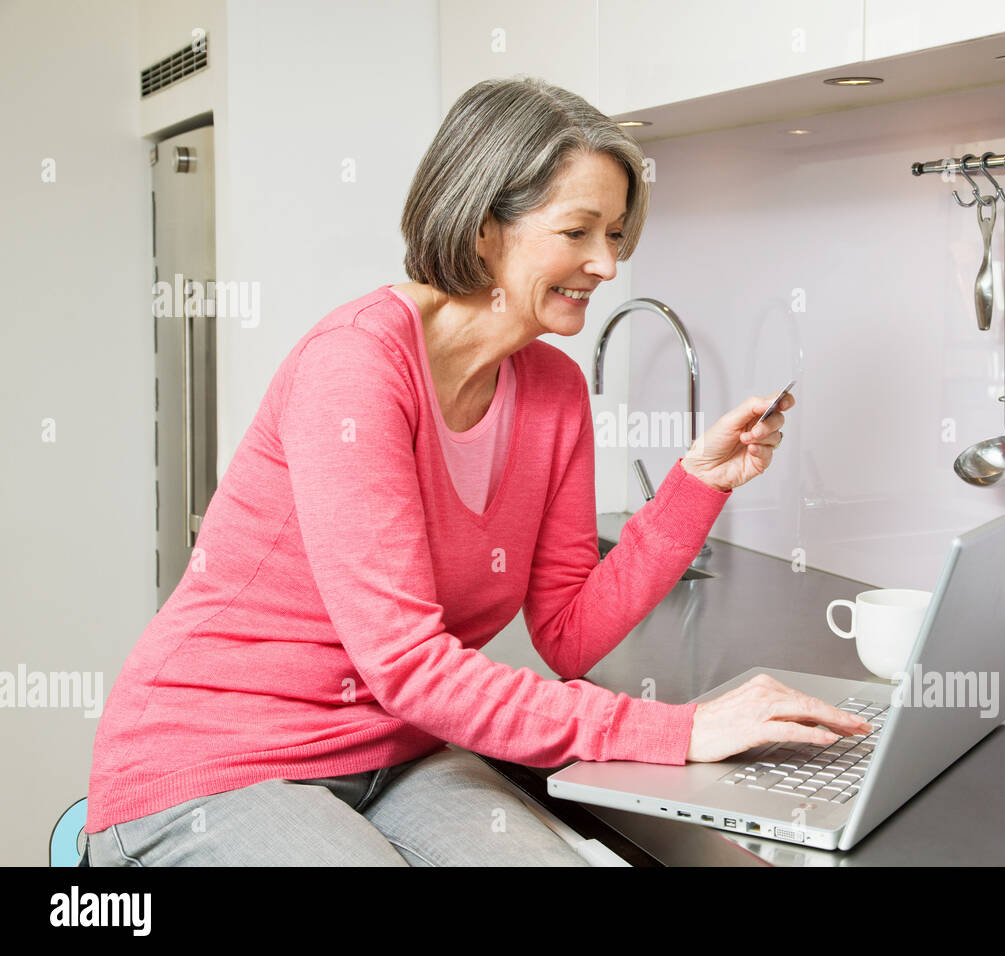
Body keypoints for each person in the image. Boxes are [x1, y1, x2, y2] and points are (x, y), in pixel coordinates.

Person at [83, 76, 872, 867]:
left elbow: (567, 633)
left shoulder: (555, 390)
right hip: (218, 762)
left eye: (618, 235)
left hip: (402, 751)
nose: (606, 263)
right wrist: (683, 729)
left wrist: (697, 484)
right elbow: (408, 666)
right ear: (484, 225)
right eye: (579, 231)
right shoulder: (355, 368)